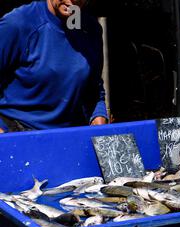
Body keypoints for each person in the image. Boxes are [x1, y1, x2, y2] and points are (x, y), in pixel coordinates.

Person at [0, 0, 108, 134]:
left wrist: (98, 116)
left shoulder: (90, 29)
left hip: (68, 137)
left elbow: (94, 89)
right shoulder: (18, 23)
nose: (71, 2)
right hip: (17, 134)